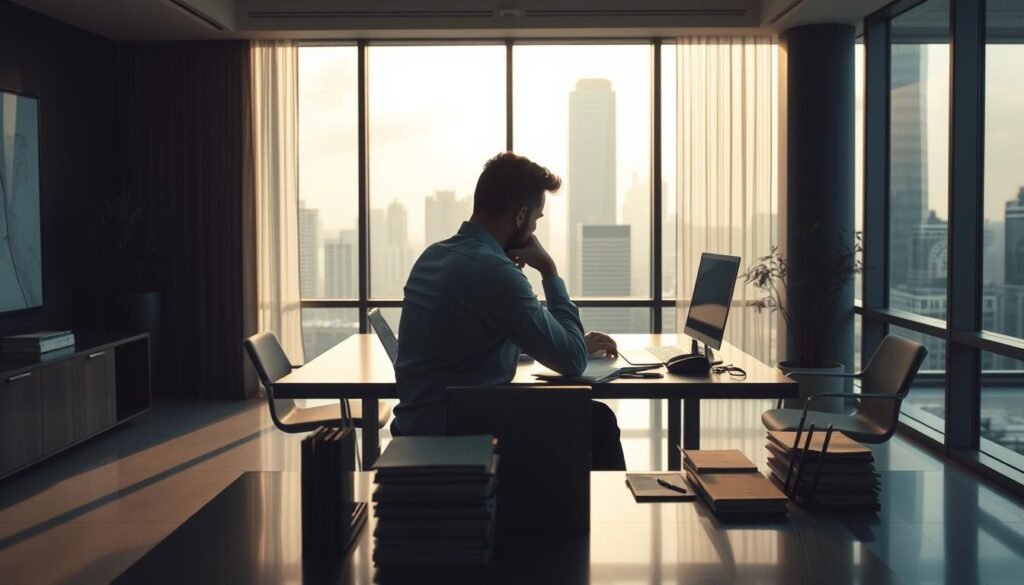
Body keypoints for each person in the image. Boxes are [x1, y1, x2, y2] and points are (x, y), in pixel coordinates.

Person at [392, 151, 627, 470]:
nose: (533, 229)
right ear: (520, 216)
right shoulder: (493, 271)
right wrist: (548, 268)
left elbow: (469, 343)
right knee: (597, 421)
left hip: (419, 422)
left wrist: (564, 341)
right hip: (458, 430)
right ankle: (604, 519)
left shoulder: (434, 255)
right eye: (536, 219)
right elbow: (572, 361)